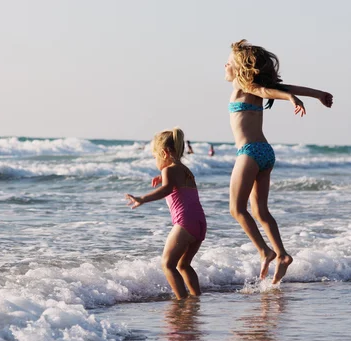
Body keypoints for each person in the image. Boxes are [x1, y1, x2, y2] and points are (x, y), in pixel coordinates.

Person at [224, 39, 333, 284]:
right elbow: (275, 87)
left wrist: (290, 98)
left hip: (250, 152)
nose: (225, 65)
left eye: (228, 63)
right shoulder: (250, 86)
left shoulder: (243, 85)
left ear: (240, 68)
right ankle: (282, 255)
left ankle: (266, 251)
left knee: (236, 209)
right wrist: (316, 94)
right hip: (265, 152)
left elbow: (265, 91)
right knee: (260, 211)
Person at [126, 128, 206, 299]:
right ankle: (196, 298)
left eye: (155, 157)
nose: (155, 160)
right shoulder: (186, 170)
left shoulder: (169, 170)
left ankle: (182, 301)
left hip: (185, 223)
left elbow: (167, 189)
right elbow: (178, 185)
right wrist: (163, 177)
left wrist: (143, 198)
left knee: (167, 264)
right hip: (200, 223)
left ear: (164, 152)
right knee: (184, 265)